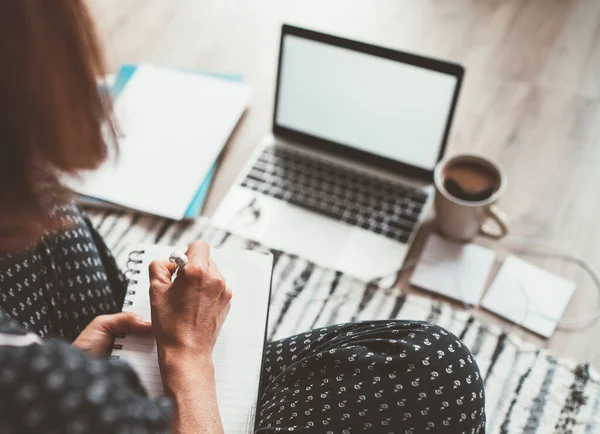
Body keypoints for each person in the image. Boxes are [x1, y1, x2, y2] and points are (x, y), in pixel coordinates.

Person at [0, 1, 486, 433]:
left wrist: (72, 362)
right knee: (437, 370)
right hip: (145, 402)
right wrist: (188, 355)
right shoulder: (31, 384)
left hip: (89, 373)